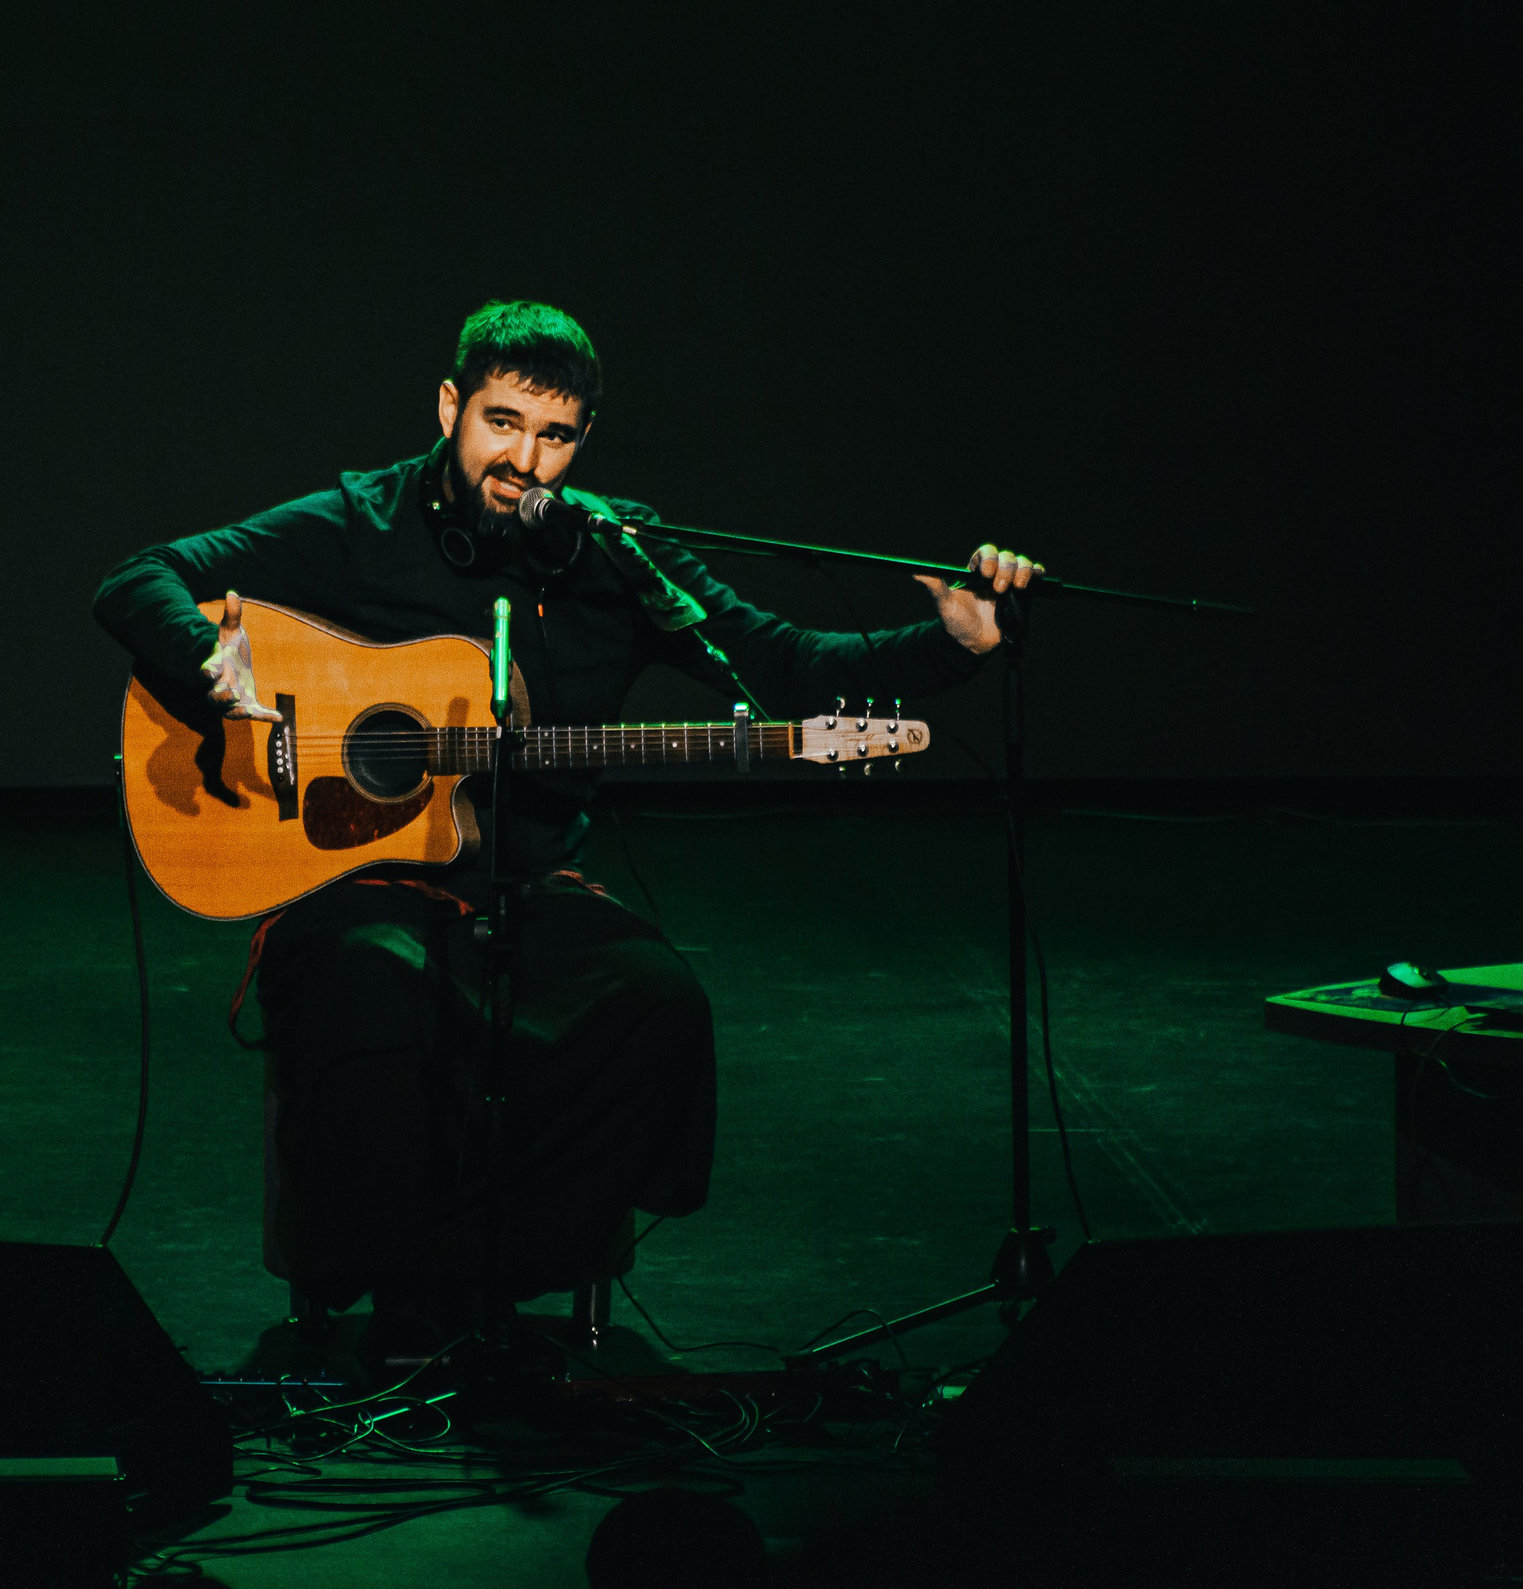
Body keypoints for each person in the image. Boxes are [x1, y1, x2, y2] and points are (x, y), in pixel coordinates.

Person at [93, 300, 1037, 1351]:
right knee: (373, 978)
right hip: (354, 881)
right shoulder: (358, 520)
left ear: (582, 439)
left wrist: (949, 646)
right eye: (501, 423)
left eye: (553, 437)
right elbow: (137, 576)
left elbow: (780, 666)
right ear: (450, 406)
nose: (522, 460)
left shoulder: (619, 549)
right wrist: (206, 659)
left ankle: (510, 1278)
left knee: (656, 998)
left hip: (532, 884)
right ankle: (387, 1296)